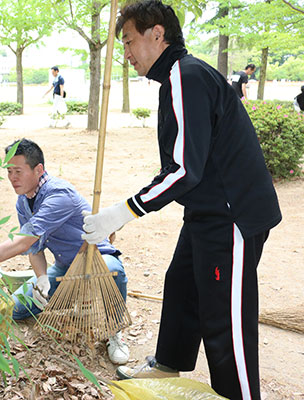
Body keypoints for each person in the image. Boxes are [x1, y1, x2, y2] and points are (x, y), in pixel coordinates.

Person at [82, 1, 281, 399]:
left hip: (232, 218)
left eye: (129, 41)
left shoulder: (185, 77)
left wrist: (121, 212)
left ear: (157, 34)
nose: (125, 53)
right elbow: (187, 164)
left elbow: (183, 171)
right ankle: (167, 365)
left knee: (226, 325)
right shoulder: (178, 76)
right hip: (207, 212)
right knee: (182, 285)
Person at [0, 138, 130, 365]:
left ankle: (114, 332)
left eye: (18, 171)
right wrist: (42, 277)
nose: (12, 178)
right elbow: (34, 247)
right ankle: (53, 292)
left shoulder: (58, 195)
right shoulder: (23, 201)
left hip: (96, 258)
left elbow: (21, 242)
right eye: (9, 171)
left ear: (38, 169)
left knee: (112, 271)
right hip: (64, 267)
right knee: (13, 309)